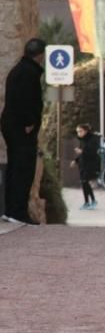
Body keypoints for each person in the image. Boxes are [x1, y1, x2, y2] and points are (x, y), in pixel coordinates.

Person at [1, 38, 46, 225]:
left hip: (12, 126)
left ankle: (11, 210)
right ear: (40, 55)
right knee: (23, 169)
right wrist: (29, 122)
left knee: (15, 167)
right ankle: (17, 212)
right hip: (21, 128)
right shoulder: (29, 72)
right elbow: (26, 99)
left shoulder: (18, 69)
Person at [71, 123, 100, 210]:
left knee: (85, 182)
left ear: (86, 131)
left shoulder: (92, 139)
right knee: (84, 183)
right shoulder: (82, 140)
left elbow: (92, 152)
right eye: (78, 132)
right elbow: (81, 152)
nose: (79, 133)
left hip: (90, 164)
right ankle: (88, 202)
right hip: (82, 164)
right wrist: (75, 160)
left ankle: (90, 201)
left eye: (80, 131)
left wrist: (82, 152)